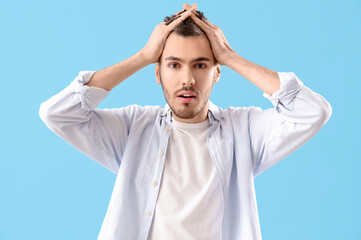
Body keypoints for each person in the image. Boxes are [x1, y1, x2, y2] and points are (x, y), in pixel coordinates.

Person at [39, 3, 332, 240]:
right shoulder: (132, 129)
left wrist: (230, 56)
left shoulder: (245, 131)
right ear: (157, 72)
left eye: (201, 64)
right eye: (174, 64)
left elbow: (311, 112)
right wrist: (142, 56)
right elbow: (58, 113)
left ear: (217, 72)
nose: (187, 79)